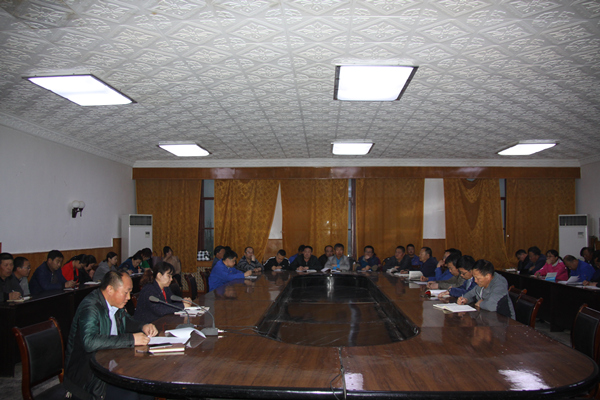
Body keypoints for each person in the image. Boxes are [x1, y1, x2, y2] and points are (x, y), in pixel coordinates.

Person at [64, 271, 158, 400]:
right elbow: (89, 342)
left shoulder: (115, 305)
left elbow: (127, 321)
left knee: (146, 389)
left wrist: (143, 326)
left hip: (110, 364)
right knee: (130, 396)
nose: (129, 297)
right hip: (89, 376)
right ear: (110, 290)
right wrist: (131, 339)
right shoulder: (91, 307)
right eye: (126, 292)